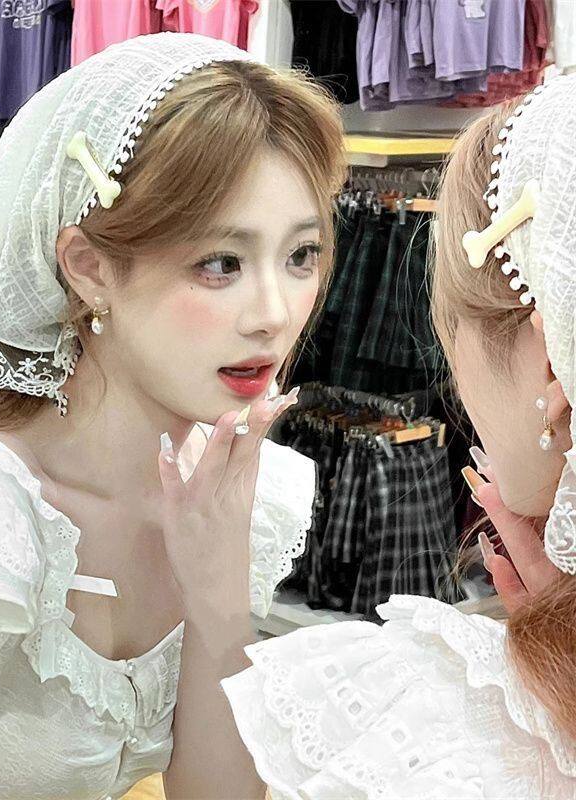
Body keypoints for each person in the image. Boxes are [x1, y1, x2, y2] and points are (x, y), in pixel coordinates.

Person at [0, 32, 348, 800]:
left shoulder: (236, 490)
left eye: (301, 255)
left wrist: (217, 595)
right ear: (89, 268)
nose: (274, 315)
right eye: (221, 263)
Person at [220, 74, 576, 799]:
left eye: (451, 338)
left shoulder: (439, 721)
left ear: (548, 364)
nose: (271, 316)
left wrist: (208, 600)